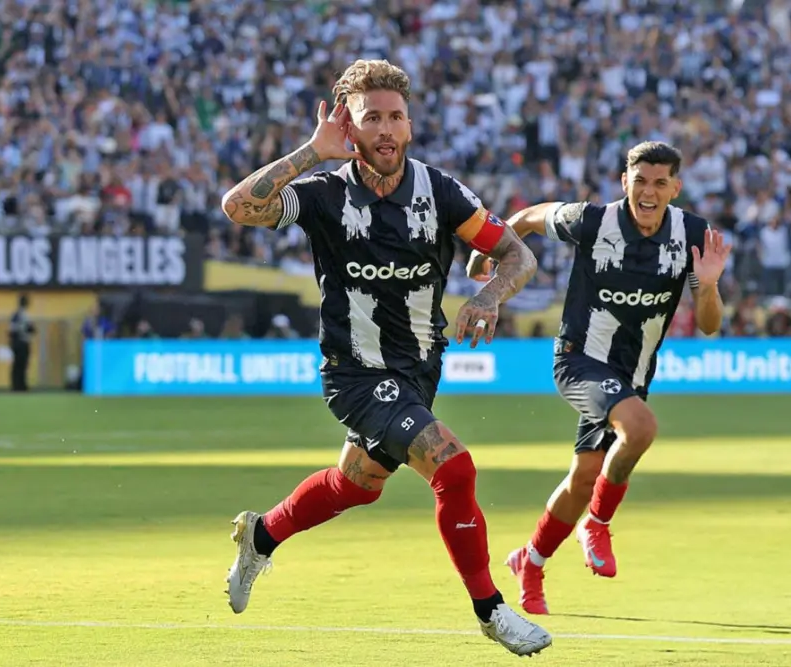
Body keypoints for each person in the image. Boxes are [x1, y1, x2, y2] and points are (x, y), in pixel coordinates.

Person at [219, 59, 550, 656]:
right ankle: (492, 611)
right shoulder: (324, 194)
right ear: (348, 126)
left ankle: (261, 536)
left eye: (396, 116)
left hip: (418, 370)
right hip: (355, 373)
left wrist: (489, 297)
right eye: (371, 118)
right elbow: (238, 207)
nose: (387, 129)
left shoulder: (441, 193)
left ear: (410, 124)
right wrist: (311, 152)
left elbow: (518, 256)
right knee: (453, 467)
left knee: (358, 485)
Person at [467, 141, 732, 615]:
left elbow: (710, 324)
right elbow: (527, 218)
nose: (648, 192)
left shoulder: (692, 235)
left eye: (660, 183)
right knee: (642, 428)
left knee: (585, 477)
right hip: (578, 359)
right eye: (640, 181)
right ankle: (597, 524)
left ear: (675, 188)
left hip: (630, 376)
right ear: (624, 181)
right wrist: (491, 251)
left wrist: (708, 286)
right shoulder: (590, 220)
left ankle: (530, 560)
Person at [9, 294, 35, 391]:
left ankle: (20, 384)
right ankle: (18, 385)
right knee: (19, 364)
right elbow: (14, 330)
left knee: (21, 364)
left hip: (21, 341)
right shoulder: (21, 315)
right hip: (21, 342)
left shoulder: (21, 314)